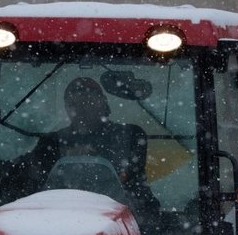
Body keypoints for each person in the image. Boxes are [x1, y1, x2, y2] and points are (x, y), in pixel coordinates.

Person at [27, 77, 160, 218]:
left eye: (89, 101)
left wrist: (88, 156)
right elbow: (27, 172)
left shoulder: (129, 135)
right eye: (73, 103)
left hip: (123, 218)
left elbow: (129, 174)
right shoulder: (51, 142)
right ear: (66, 108)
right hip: (58, 216)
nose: (81, 107)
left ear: (104, 104)